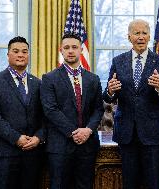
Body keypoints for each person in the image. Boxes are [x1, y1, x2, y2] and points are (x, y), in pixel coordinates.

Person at [103, 19, 159, 189]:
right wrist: (111, 91)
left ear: (149, 36)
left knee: (154, 183)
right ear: (129, 37)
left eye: (144, 33)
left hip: (152, 135)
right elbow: (107, 96)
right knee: (130, 183)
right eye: (137, 33)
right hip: (126, 134)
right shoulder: (118, 61)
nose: (141, 37)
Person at [40, 33, 104, 189]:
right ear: (61, 50)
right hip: (60, 145)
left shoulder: (93, 78)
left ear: (81, 50)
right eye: (66, 47)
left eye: (74, 47)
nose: (70, 51)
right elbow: (50, 110)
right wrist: (75, 132)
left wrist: (88, 130)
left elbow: (98, 109)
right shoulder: (49, 78)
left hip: (87, 145)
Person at [0, 36, 45, 189]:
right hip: (5, 154)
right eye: (16, 51)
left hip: (33, 154)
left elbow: (45, 117)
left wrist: (38, 137)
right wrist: (17, 138)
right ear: (8, 55)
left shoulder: (38, 83)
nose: (20, 55)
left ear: (28, 55)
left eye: (24, 51)